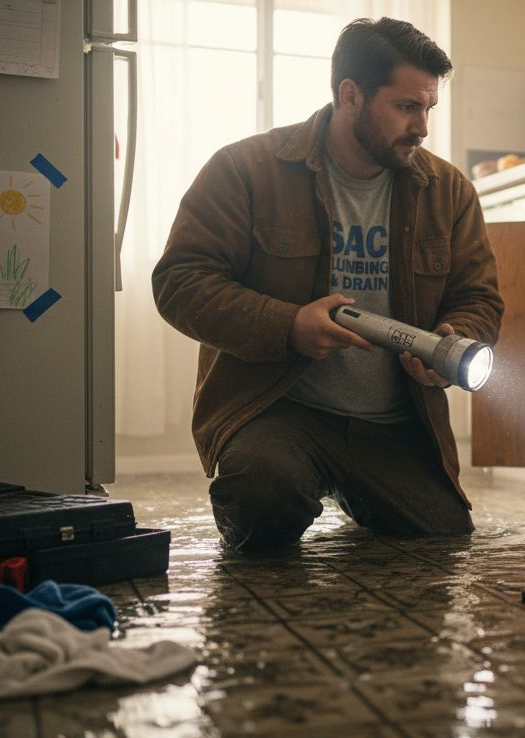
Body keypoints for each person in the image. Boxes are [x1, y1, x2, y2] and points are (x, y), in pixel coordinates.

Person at [152, 17, 503, 550]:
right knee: (263, 504)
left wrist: (456, 336)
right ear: (351, 95)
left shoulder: (448, 191)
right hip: (280, 409)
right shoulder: (245, 169)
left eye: (428, 107)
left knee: (442, 536)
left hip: (393, 421)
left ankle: (352, 484)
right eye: (407, 106)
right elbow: (179, 281)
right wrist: (287, 325)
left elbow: (478, 296)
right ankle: (295, 479)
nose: (422, 126)